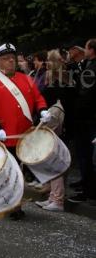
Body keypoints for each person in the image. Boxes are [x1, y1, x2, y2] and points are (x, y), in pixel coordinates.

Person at [0, 43, 48, 220]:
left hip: (24, 135)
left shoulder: (26, 79)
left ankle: (14, 203)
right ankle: (6, 203)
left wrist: (43, 110)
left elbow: (38, 99)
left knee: (18, 171)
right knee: (6, 171)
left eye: (12, 58)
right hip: (3, 134)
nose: (11, 61)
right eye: (6, 59)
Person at [36, 49, 74, 211]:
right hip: (57, 120)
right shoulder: (61, 78)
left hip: (56, 121)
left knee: (53, 158)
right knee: (52, 157)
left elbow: (58, 101)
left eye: (49, 61)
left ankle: (57, 198)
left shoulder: (59, 79)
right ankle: (54, 195)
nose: (46, 64)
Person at [68, 39, 96, 204]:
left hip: (86, 118)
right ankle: (87, 186)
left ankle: (88, 190)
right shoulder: (88, 65)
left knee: (86, 155)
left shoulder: (92, 67)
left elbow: (85, 94)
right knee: (85, 156)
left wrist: (76, 112)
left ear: (91, 50)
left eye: (86, 48)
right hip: (87, 117)